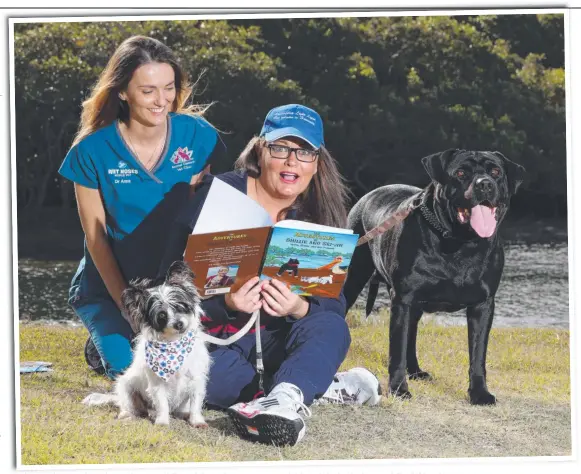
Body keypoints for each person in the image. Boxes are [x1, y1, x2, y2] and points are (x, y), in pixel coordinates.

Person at [159, 104, 381, 446]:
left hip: (277, 340)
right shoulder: (216, 196)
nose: (293, 161)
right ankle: (307, 386)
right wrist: (227, 303)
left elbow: (332, 304)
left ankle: (288, 392)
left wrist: (299, 309)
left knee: (331, 326)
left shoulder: (319, 213)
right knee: (212, 379)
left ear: (317, 162)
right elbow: (167, 287)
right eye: (281, 148)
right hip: (214, 339)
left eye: (305, 152)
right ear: (261, 150)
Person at [58, 35, 224, 380]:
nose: (161, 100)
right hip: (110, 287)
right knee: (134, 373)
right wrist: (129, 307)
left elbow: (207, 218)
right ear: (122, 92)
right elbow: (96, 238)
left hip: (171, 287)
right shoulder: (91, 152)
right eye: (148, 91)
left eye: (168, 88)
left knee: (196, 371)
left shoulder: (198, 137)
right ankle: (104, 342)